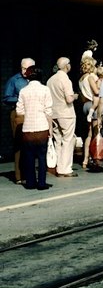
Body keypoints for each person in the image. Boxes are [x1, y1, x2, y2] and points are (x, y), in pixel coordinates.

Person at [15, 65, 54, 190]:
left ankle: (30, 183)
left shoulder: (23, 91)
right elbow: (48, 111)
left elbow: (19, 111)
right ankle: (41, 183)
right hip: (42, 126)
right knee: (42, 156)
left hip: (28, 128)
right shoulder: (45, 90)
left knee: (29, 156)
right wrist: (50, 128)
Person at [3, 57, 35, 185]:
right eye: (23, 68)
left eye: (27, 68)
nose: (24, 71)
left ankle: (29, 173)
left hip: (32, 113)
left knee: (30, 145)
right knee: (19, 144)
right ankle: (19, 176)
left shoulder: (34, 80)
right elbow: (6, 98)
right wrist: (20, 98)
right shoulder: (14, 80)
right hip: (18, 113)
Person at [48, 57, 78, 178]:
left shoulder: (50, 80)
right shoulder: (65, 79)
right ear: (67, 66)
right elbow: (69, 99)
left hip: (54, 113)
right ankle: (65, 168)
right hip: (66, 114)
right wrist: (75, 96)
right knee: (68, 141)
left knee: (58, 140)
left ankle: (58, 166)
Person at [78, 56, 100, 169]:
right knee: (96, 133)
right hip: (92, 104)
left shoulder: (81, 79)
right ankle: (96, 157)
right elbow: (96, 91)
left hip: (85, 105)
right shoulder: (90, 77)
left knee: (89, 134)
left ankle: (85, 159)